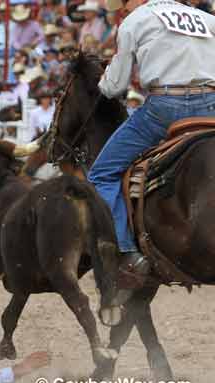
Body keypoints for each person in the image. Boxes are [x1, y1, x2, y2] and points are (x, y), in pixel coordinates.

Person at [87, 0, 215, 280]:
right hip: (212, 106)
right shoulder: (204, 18)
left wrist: (102, 79)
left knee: (102, 174)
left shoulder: (135, 21)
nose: (122, 8)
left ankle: (127, 252)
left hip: (165, 108)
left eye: (122, 2)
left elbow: (114, 87)